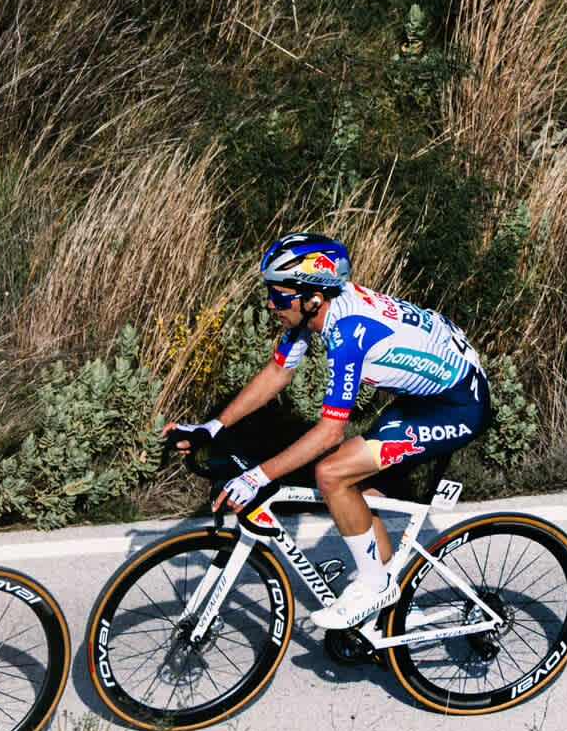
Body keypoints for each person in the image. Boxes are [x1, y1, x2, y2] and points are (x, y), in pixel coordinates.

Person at [168, 236, 495, 633]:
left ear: (313, 299)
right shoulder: (315, 312)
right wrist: (213, 427)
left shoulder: (348, 332)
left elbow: (329, 435)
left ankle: (375, 588)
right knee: (358, 491)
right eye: (270, 293)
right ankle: (390, 610)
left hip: (458, 406)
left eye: (279, 295)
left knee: (331, 473)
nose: (271, 304)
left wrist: (257, 477)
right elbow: (279, 372)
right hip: (426, 396)